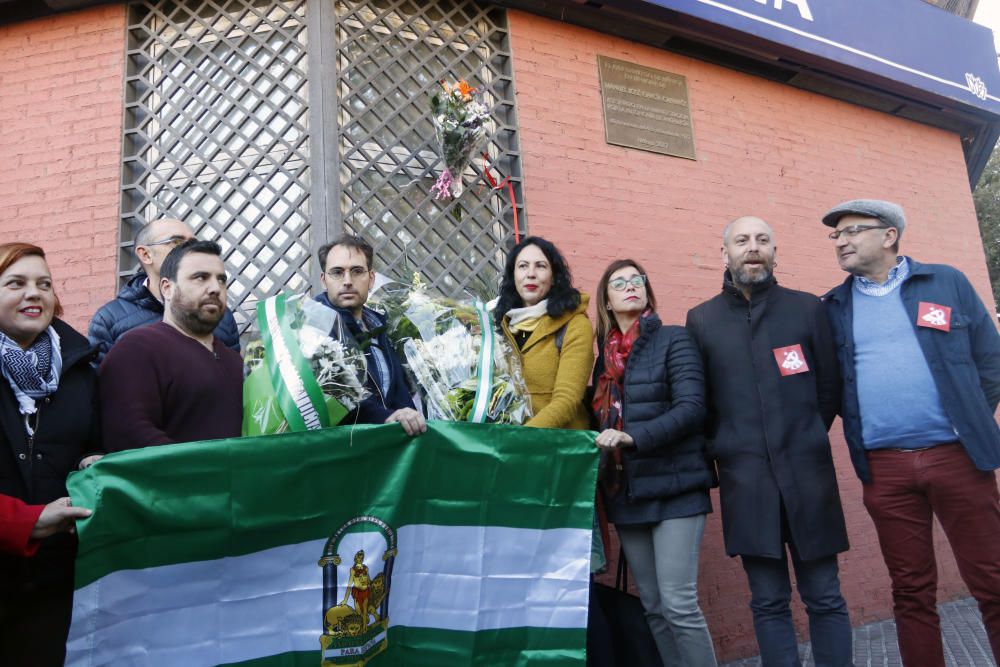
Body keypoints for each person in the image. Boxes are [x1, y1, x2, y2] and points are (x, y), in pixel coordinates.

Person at [821, 199, 1000, 666]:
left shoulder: (946, 281)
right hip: (884, 469)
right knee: (911, 590)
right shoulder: (833, 306)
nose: (841, 241)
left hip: (958, 456)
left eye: (852, 231)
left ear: (889, 235)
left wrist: (971, 417)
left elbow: (991, 359)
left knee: (993, 578)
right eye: (835, 235)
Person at [685, 216, 852, 666]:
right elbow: (703, 403)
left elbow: (830, 388)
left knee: (825, 596)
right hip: (746, 482)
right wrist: (725, 447)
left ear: (776, 252)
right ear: (725, 254)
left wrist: (807, 435)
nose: (752, 247)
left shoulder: (806, 308)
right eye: (742, 240)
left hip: (808, 476)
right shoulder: (701, 320)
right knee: (768, 601)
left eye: (763, 240)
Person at [591, 259, 717, 666]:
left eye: (637, 279)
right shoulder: (603, 362)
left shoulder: (675, 340)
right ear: (607, 302)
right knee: (653, 606)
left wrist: (633, 437)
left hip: (676, 486)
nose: (630, 286)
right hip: (627, 493)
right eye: (619, 282)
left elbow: (693, 408)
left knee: (679, 604)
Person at [0, 242, 99, 666]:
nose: (34, 293)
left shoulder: (80, 369)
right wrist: (28, 522)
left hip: (55, 581)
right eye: (16, 283)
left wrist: (97, 465)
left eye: (44, 284)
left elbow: (95, 442)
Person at [99, 239, 243, 452]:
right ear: (167, 288)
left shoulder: (234, 361)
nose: (215, 288)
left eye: (221, 280)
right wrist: (204, 473)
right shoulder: (136, 350)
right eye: (200, 277)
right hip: (175, 483)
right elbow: (130, 434)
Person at [314, 236, 425, 436]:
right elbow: (339, 398)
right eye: (337, 272)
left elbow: (400, 393)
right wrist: (386, 418)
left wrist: (414, 418)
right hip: (344, 450)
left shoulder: (382, 326)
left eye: (357, 271)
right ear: (324, 280)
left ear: (371, 278)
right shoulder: (313, 329)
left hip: (387, 447)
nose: (347, 281)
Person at [88, 217, 240, 364]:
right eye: (177, 242)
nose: (189, 251)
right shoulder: (109, 319)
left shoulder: (220, 314)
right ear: (146, 254)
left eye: (192, 244)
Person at [495, 236, 594, 429]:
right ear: (513, 275)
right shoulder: (500, 326)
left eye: (540, 266)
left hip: (557, 446)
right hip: (507, 446)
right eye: (523, 266)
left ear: (554, 276)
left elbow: (567, 401)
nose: (531, 274)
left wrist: (521, 438)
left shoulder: (575, 324)